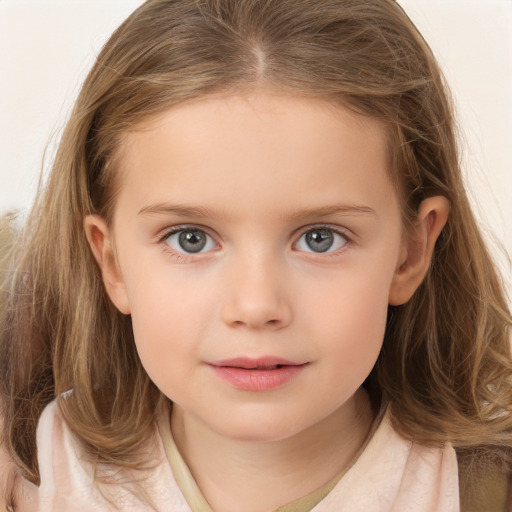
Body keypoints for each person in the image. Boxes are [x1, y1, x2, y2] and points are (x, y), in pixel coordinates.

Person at [1, 0, 511, 510]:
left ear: (411, 252)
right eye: (190, 239)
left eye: (320, 238)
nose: (255, 305)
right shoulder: (33, 482)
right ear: (112, 263)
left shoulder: (483, 493)